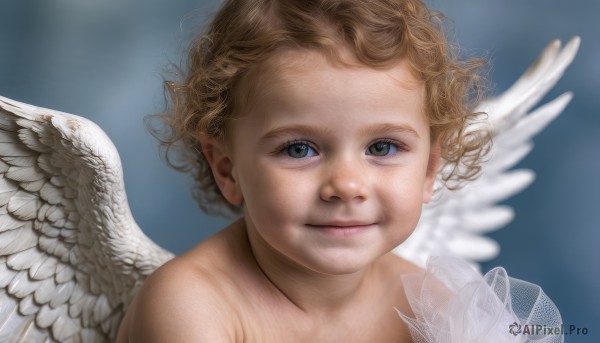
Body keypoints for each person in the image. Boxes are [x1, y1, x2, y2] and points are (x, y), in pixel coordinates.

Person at [115, 0, 528, 341]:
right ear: (227, 169)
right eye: (299, 149)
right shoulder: (190, 306)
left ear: (428, 170)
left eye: (382, 147)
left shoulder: (431, 305)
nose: (346, 185)